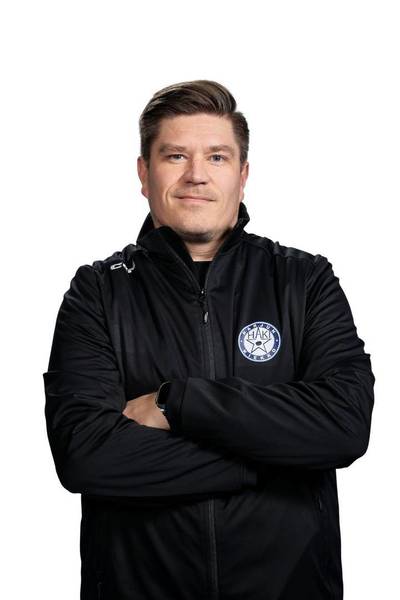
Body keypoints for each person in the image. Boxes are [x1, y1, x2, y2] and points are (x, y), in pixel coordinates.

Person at [43, 79, 375, 600]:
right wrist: (272, 457)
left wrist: (177, 402)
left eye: (217, 157)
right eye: (175, 155)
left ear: (243, 175)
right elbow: (86, 456)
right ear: (144, 174)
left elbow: (345, 425)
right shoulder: (98, 293)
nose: (196, 174)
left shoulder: (304, 281)